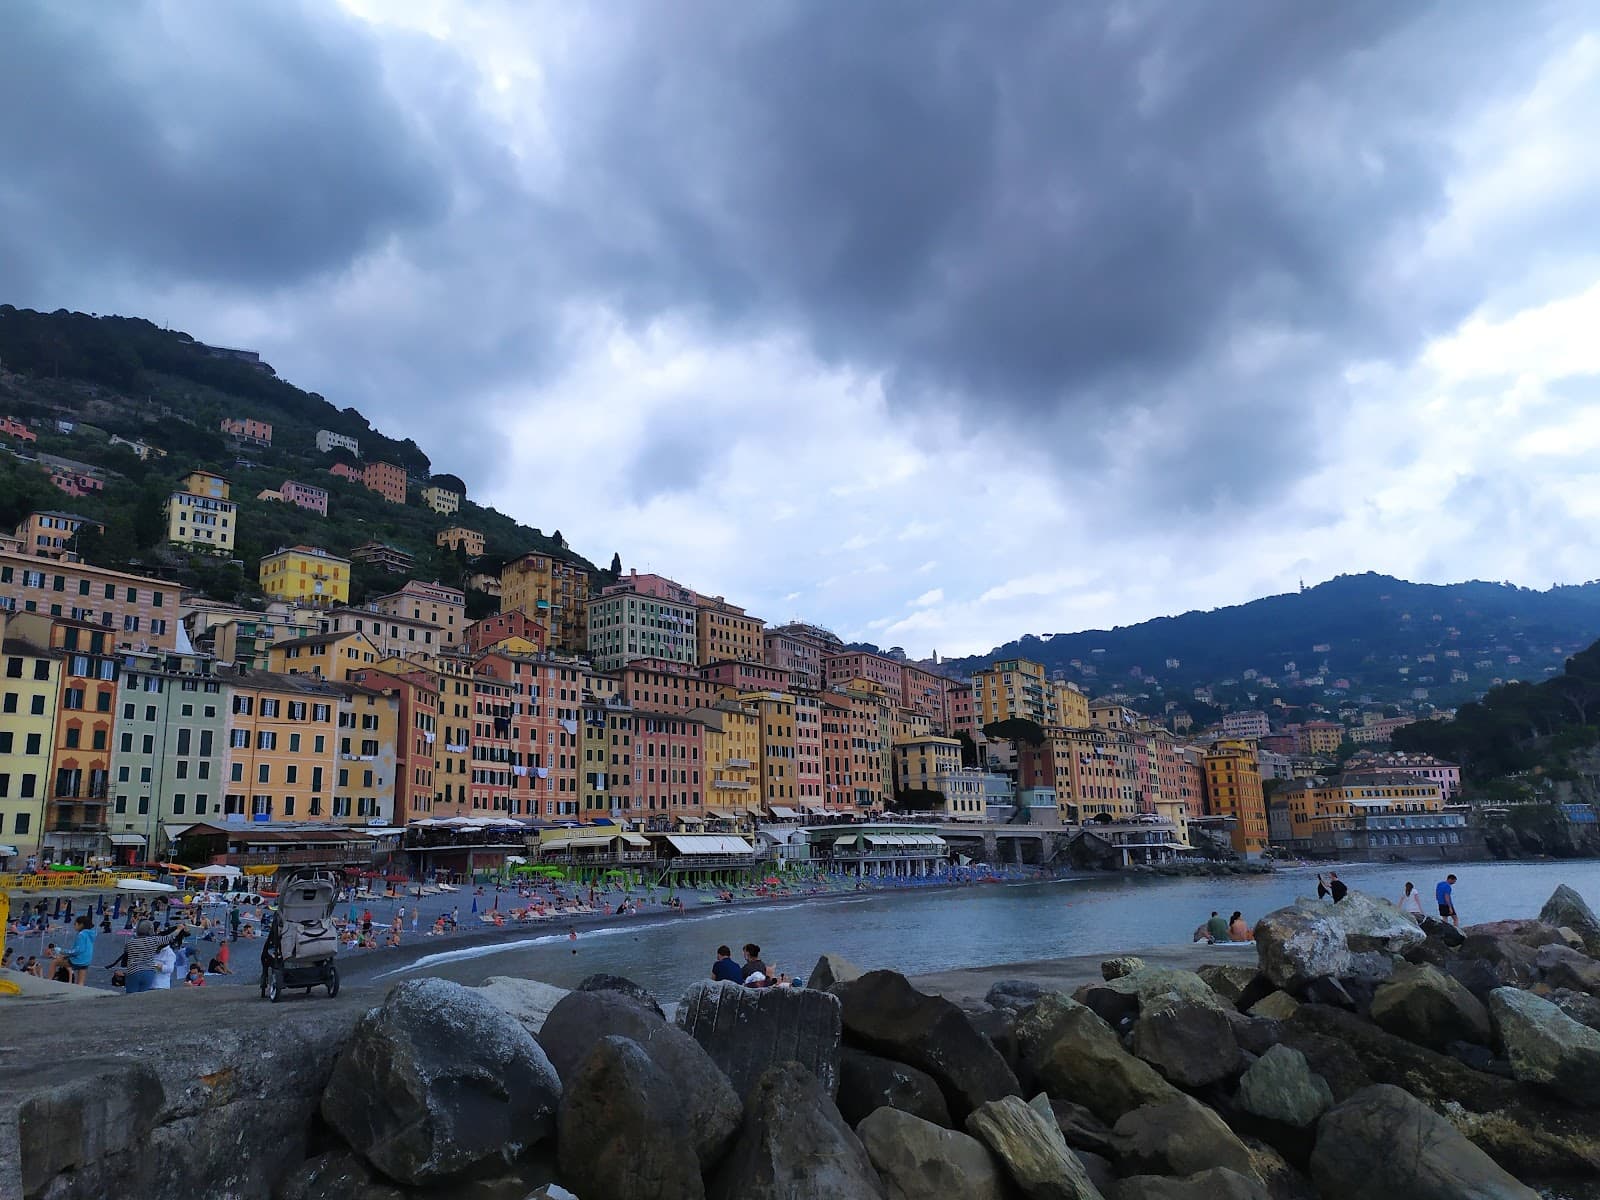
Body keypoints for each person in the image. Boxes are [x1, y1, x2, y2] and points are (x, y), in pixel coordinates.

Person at [124, 919, 188, 994]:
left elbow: (126, 953)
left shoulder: (130, 942)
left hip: (133, 970)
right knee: (143, 995)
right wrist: (179, 929)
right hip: (148, 971)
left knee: (131, 994)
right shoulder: (154, 940)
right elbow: (170, 937)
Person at [65, 913, 97, 986]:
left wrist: (62, 951)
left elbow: (78, 950)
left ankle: (49, 981)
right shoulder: (91, 934)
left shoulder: (81, 934)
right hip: (87, 960)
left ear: (81, 925)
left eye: (75, 924)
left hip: (79, 960)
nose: (74, 926)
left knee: (55, 962)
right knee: (81, 981)